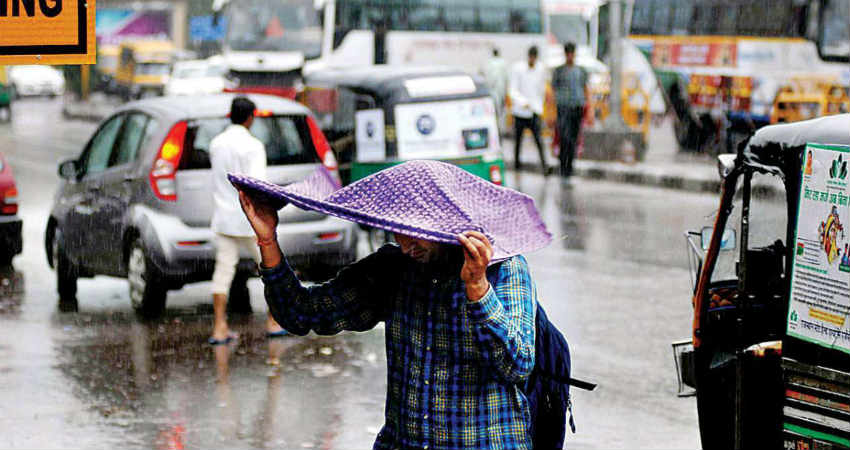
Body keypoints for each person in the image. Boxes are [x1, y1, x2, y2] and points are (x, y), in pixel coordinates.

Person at [234, 161, 543, 449]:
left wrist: (477, 288)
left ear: (446, 223)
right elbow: (301, 312)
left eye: (417, 233)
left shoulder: (504, 268)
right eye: (398, 229)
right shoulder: (393, 268)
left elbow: (516, 365)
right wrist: (268, 241)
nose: (406, 245)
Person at [208, 96, 286, 346]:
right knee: (270, 270)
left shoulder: (216, 144)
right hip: (250, 221)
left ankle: (220, 328)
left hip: (224, 218)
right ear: (250, 117)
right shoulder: (254, 146)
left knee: (223, 273)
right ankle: (274, 322)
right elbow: (257, 185)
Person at [552, 42, 589, 179]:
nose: (570, 56)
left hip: (577, 107)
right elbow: (554, 89)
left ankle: (570, 168)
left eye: (572, 53)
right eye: (568, 53)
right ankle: (563, 167)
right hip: (563, 108)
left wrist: (587, 108)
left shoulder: (581, 71)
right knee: (564, 138)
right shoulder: (559, 71)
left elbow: (585, 89)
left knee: (573, 139)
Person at [510, 45, 548, 176]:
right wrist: (523, 102)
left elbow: (541, 90)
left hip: (534, 111)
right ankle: (517, 166)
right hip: (520, 111)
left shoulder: (540, 69)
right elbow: (513, 90)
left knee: (538, 140)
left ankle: (545, 166)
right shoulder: (518, 69)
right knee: (518, 141)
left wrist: (538, 107)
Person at [484, 47, 509, 133]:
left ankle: (496, 130)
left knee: (494, 112)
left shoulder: (488, 63)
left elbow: (486, 78)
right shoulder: (503, 63)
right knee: (499, 112)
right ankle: (499, 130)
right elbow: (506, 78)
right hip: (499, 91)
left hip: (493, 91)